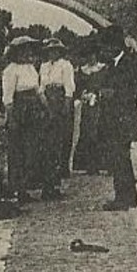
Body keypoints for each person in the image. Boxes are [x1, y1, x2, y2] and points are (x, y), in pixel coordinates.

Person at [94, 25, 137, 210]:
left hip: (123, 120)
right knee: (119, 159)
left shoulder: (130, 63)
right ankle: (125, 197)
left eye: (106, 46)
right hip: (114, 120)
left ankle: (124, 199)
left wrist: (113, 93)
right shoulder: (113, 65)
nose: (103, 50)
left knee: (121, 158)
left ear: (115, 45)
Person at [0, 37, 46, 201]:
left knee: (31, 149)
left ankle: (26, 185)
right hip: (19, 111)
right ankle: (18, 189)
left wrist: (45, 107)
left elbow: (38, 90)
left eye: (29, 50)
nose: (28, 53)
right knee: (17, 151)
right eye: (24, 50)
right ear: (16, 52)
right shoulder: (10, 70)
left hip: (33, 111)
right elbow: (8, 98)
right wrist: (11, 119)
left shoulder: (31, 68)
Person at [39, 38, 77, 190]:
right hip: (47, 98)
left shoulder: (66, 65)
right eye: (50, 51)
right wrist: (43, 101)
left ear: (60, 52)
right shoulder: (43, 66)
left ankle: (63, 166)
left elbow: (69, 86)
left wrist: (67, 104)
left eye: (55, 50)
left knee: (63, 133)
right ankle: (50, 170)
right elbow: (41, 86)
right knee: (49, 136)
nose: (52, 53)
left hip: (60, 97)